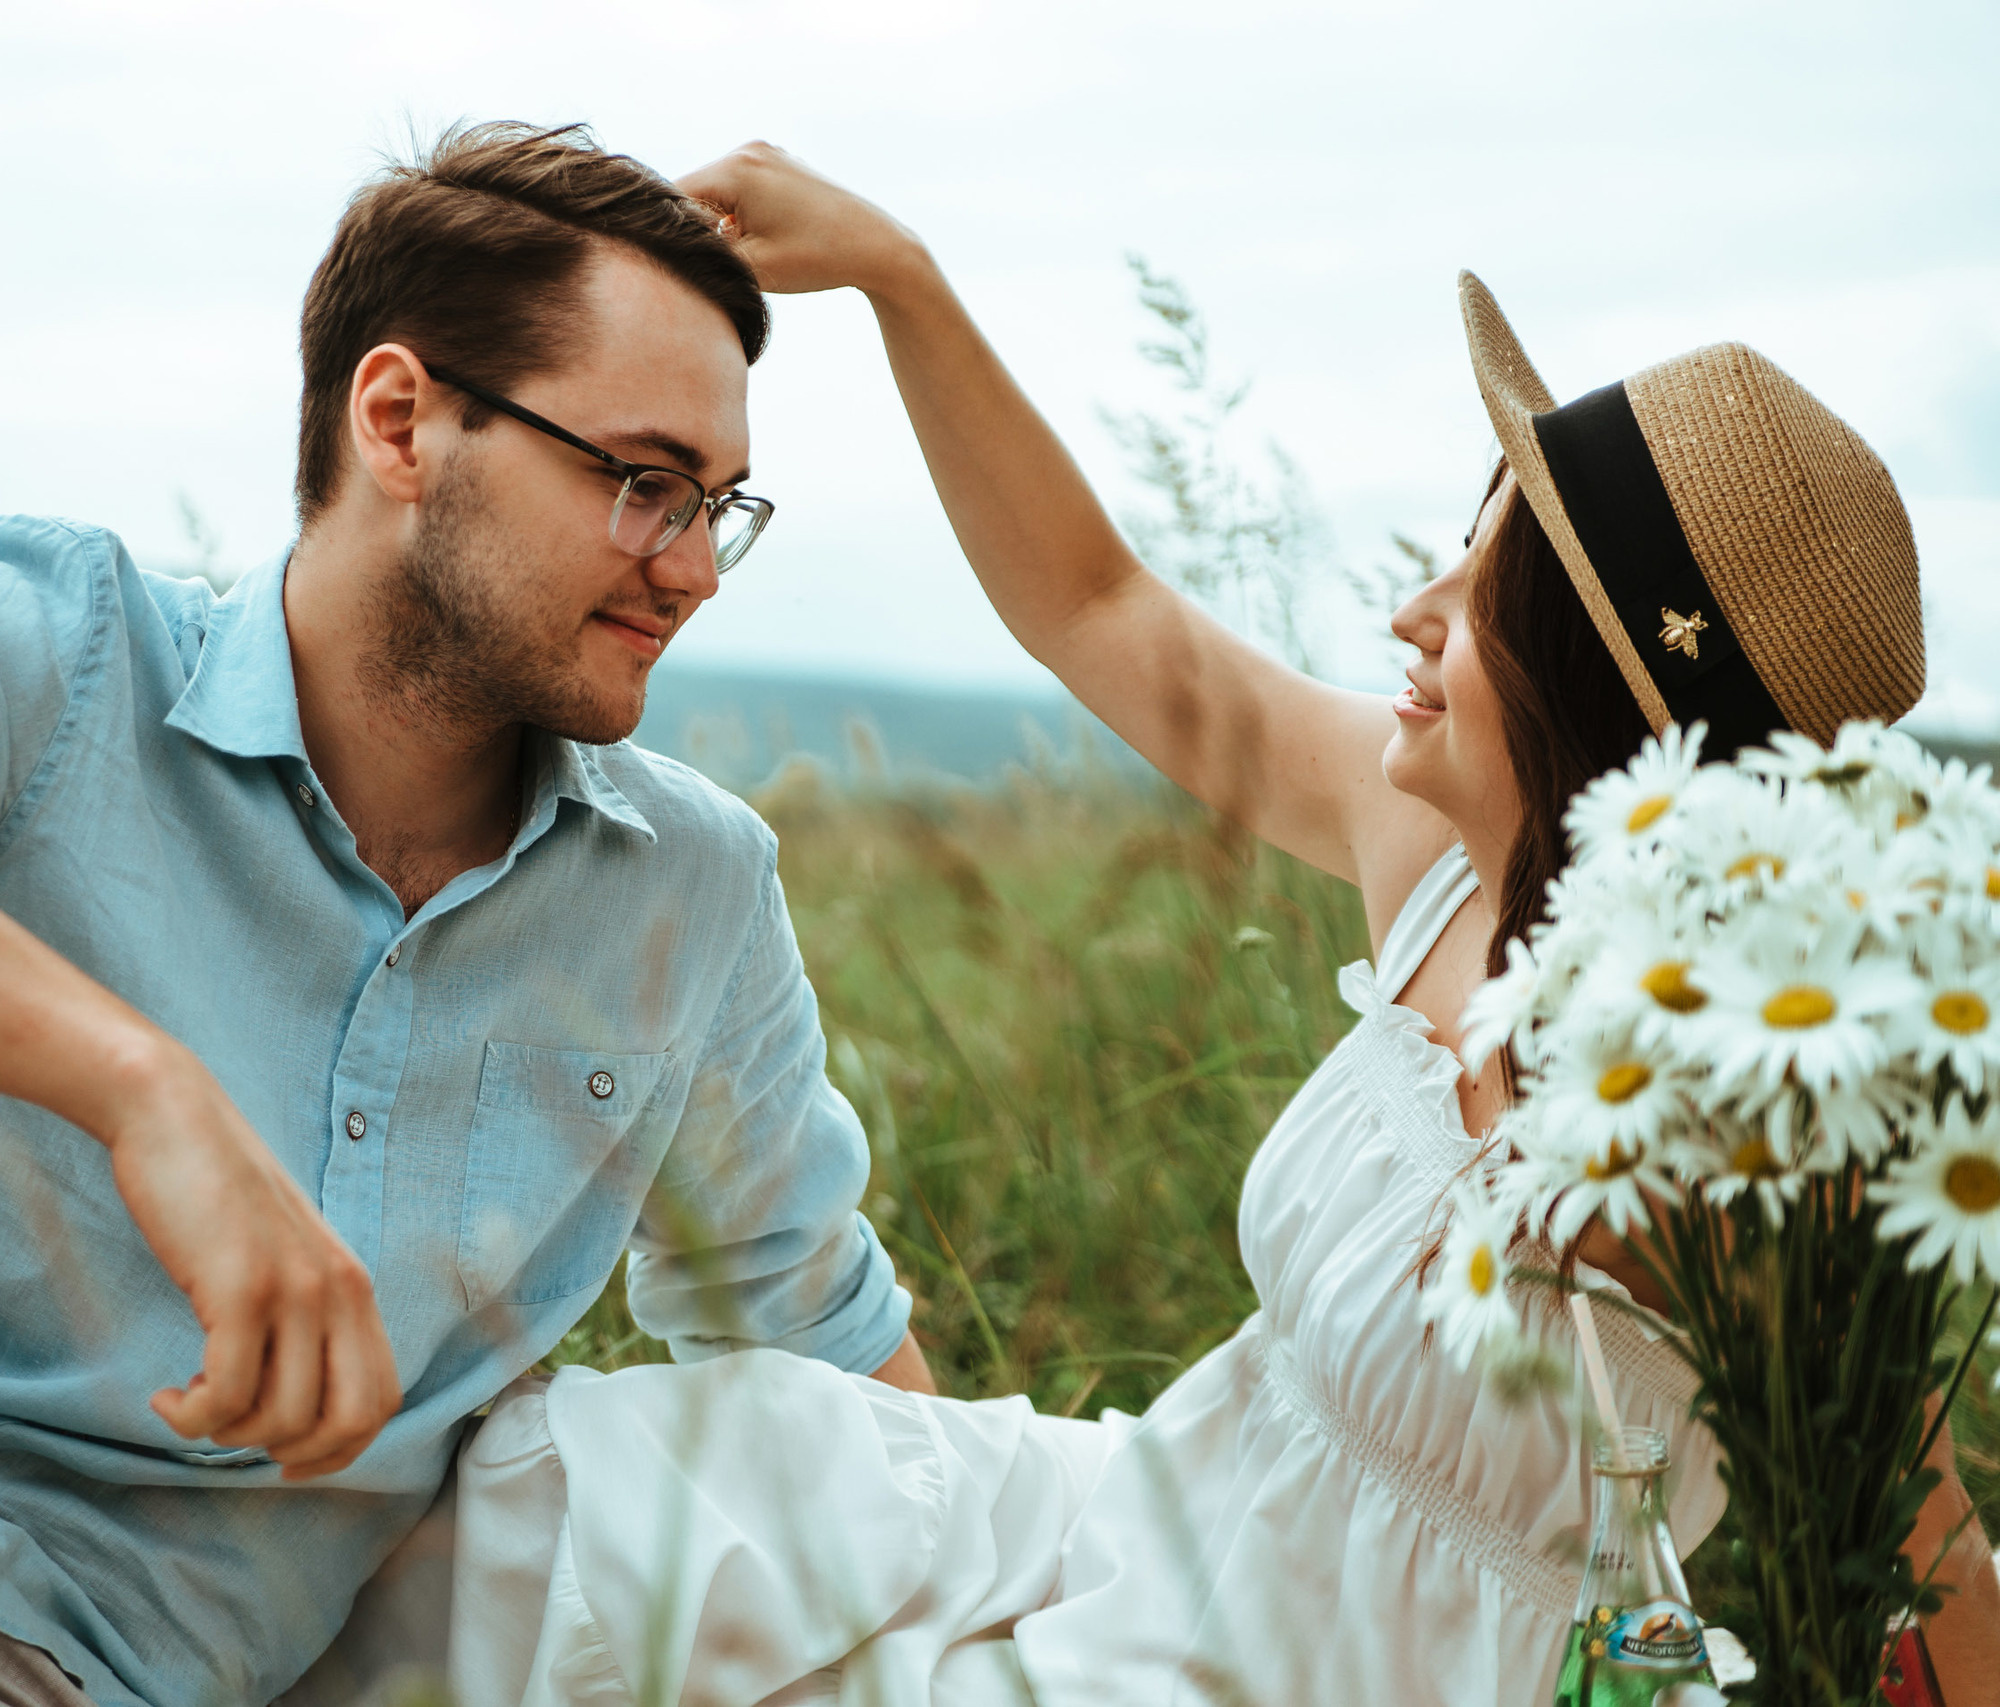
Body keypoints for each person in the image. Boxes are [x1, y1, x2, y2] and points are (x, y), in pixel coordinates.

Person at [355, 145, 2000, 1706]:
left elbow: (1924, 1546)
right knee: (613, 1491)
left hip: (1322, 1676)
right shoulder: (1427, 840)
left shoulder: (1747, 1113)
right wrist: (900, 282)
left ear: (1587, 686)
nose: (1411, 611)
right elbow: (1100, 604)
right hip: (1140, 1520)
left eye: (1482, 585)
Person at [0, 122, 932, 1707]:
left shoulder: (687, 894)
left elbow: (835, 1362)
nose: (693, 568)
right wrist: (139, 1090)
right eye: (642, 484)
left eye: (720, 505)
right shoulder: (66, 653)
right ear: (402, 419)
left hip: (64, 1674)